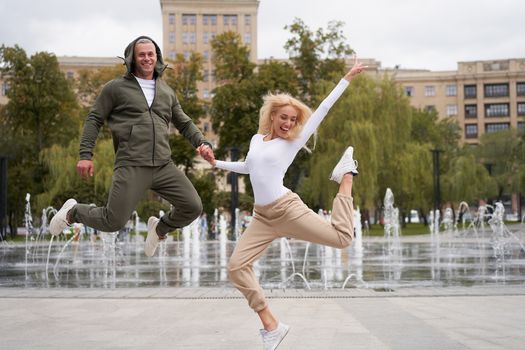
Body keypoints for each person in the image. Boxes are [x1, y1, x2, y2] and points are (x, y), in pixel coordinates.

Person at [201, 56, 366, 349]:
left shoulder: (293, 141)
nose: (289, 123)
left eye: (293, 119)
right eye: (284, 118)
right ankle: (271, 325)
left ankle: (346, 176)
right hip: (263, 217)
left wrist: (347, 78)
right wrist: (217, 164)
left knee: (343, 238)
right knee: (237, 267)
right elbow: (248, 167)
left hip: (287, 210)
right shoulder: (256, 139)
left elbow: (324, 109)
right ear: (273, 117)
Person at [49, 36, 214, 257]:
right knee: (112, 221)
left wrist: (202, 143)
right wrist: (85, 154)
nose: (147, 58)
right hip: (131, 164)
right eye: (141, 54)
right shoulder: (115, 88)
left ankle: (160, 228)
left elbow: (184, 123)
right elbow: (94, 119)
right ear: (133, 58)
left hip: (163, 165)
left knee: (193, 207)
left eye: (150, 54)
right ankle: (74, 212)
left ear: (157, 57)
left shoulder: (166, 91)